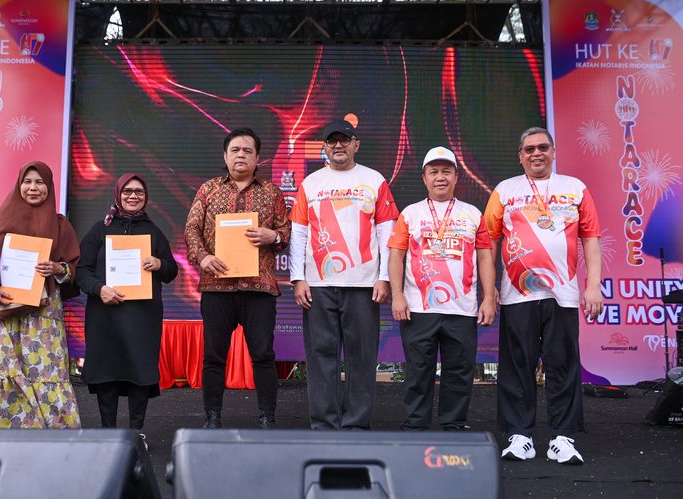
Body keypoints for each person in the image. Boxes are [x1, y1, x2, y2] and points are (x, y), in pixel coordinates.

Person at [484, 127, 603, 464]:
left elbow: (591, 238)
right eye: (529, 149)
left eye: (542, 147)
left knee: (562, 364)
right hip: (517, 293)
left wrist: (593, 286)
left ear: (553, 151)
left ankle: (562, 438)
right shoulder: (505, 190)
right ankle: (519, 435)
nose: (536, 153)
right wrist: (489, 290)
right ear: (520, 156)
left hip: (562, 293)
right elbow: (488, 242)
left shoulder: (575, 188)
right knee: (517, 365)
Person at [289, 119, 399, 430]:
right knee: (320, 356)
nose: (338, 145)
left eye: (345, 140)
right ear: (324, 147)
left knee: (361, 357)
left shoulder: (374, 180)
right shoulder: (310, 183)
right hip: (319, 285)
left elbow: (386, 232)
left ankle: (356, 426)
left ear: (356, 144)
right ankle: (324, 425)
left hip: (363, 285)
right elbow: (298, 233)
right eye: (332, 141)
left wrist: (384, 277)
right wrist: (298, 278)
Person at [184, 128, 290, 429]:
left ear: (257, 158)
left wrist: (273, 236)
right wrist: (203, 257)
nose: (241, 155)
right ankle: (212, 417)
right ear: (225, 156)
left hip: (259, 288)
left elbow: (287, 231)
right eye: (235, 150)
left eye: (247, 150)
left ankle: (268, 418)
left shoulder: (272, 192)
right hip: (217, 286)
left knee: (263, 355)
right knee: (214, 356)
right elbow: (191, 229)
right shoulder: (208, 189)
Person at [388, 146, 496, 431]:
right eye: (433, 172)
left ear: (456, 177)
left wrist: (488, 298)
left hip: (462, 309)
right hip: (418, 308)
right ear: (424, 178)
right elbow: (396, 256)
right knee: (418, 371)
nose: (440, 177)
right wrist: (397, 295)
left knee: (459, 371)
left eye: (446, 171)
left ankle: (454, 425)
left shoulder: (473, 214)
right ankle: (416, 426)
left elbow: (485, 257)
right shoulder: (410, 214)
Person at [0, 161, 82, 429]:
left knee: (47, 370)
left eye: (40, 182)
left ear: (49, 187)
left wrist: (58, 268)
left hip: (43, 313)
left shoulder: (60, 225)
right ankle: (8, 436)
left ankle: (55, 434)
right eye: (27, 182)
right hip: (2, 311)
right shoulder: (0, 220)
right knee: (6, 371)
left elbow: (71, 269)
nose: (33, 188)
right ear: (19, 185)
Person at [76, 173, 178, 446]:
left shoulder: (153, 232)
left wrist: (160, 264)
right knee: (107, 374)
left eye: (139, 192)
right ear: (118, 194)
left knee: (139, 373)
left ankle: (136, 432)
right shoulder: (99, 230)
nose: (133, 196)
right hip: (105, 315)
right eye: (128, 191)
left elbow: (171, 271)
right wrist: (99, 289)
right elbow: (81, 271)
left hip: (143, 317)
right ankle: (107, 432)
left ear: (146, 197)